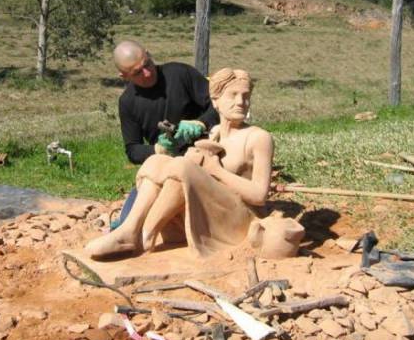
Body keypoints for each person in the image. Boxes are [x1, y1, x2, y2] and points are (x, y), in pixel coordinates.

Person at [86, 68, 274, 258]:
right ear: (215, 101)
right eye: (233, 95)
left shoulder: (258, 138)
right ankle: (130, 229)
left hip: (239, 222)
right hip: (210, 214)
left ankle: (145, 236)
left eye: (246, 96)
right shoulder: (215, 133)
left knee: (182, 167)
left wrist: (215, 170)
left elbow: (259, 196)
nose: (241, 102)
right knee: (156, 161)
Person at [113, 40, 219, 164]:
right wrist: (159, 149)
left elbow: (221, 103)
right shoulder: (127, 102)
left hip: (208, 148)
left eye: (147, 64)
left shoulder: (180, 73)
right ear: (124, 76)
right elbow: (133, 150)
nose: (147, 74)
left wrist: (201, 123)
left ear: (148, 54)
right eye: (137, 72)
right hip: (169, 162)